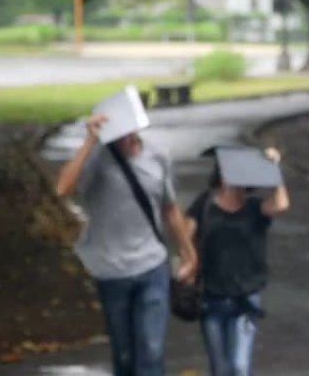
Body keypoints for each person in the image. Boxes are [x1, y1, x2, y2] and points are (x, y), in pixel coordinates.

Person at [54, 113, 197, 376]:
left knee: (151, 352)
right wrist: (89, 141)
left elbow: (169, 209)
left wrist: (188, 252)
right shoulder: (97, 159)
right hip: (112, 271)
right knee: (124, 355)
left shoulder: (157, 156)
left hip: (152, 266)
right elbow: (63, 188)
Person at [185, 147, 290, 376]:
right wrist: (189, 261)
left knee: (239, 367)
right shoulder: (205, 204)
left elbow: (281, 204)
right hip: (212, 296)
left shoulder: (254, 208)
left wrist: (273, 169)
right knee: (220, 368)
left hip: (245, 297)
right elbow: (185, 234)